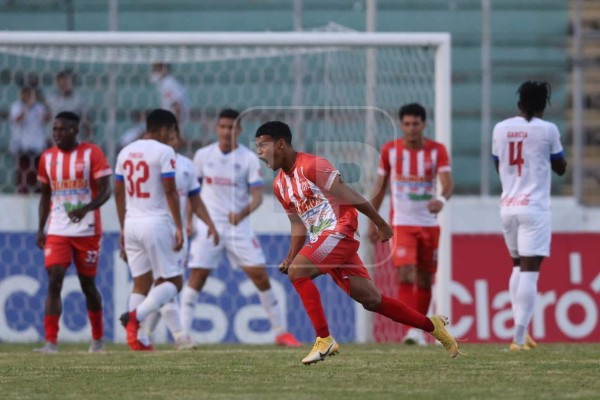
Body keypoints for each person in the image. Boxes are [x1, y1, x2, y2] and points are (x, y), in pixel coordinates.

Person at [254, 121, 460, 364]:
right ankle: (432, 325)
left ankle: (324, 340)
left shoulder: (313, 165)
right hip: (323, 239)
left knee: (299, 272)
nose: (259, 153)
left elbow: (349, 195)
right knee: (371, 300)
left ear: (280, 144)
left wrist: (379, 222)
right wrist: (290, 256)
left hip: (340, 230)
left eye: (262, 146)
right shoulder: (280, 185)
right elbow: (298, 224)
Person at [184, 109, 301, 347]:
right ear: (217, 129)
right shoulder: (203, 156)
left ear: (239, 130)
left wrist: (241, 214)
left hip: (239, 228)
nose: (227, 131)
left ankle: (280, 332)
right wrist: (188, 221)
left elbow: (257, 196)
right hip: (208, 227)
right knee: (198, 276)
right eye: (223, 126)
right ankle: (183, 335)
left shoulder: (248, 158)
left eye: (231, 127)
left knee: (259, 275)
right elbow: (192, 194)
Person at [368, 103, 453, 345]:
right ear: (401, 125)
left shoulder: (437, 151)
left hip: (428, 224)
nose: (411, 128)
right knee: (405, 273)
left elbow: (447, 184)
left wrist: (440, 199)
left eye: (415, 124)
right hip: (401, 223)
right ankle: (413, 331)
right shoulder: (389, 151)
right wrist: (373, 221)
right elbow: (380, 188)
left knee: (425, 279)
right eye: (406, 124)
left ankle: (423, 328)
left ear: (424, 125)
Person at [492, 81, 567, 351]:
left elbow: (498, 164)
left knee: (516, 265)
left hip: (508, 205)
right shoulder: (548, 129)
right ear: (544, 105)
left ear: (519, 103)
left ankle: (520, 329)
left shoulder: (500, 129)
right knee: (530, 270)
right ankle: (519, 336)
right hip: (534, 208)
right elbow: (560, 167)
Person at [34, 111, 112, 353]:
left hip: (87, 230)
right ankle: (50, 343)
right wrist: (41, 228)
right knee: (54, 281)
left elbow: (106, 190)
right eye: (55, 129)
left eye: (63, 130)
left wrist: (86, 208)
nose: (57, 134)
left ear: (75, 131)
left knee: (87, 285)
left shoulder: (92, 153)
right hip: (58, 229)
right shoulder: (47, 158)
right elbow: (46, 194)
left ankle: (98, 339)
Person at [137, 125, 220, 350]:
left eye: (174, 136)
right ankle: (179, 335)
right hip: (157, 229)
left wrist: (204, 223)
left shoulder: (186, 165)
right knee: (166, 283)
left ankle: (144, 332)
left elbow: (193, 199)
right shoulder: (151, 163)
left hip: (178, 233)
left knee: (168, 285)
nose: (170, 139)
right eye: (168, 135)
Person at [114, 108, 184, 351]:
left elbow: (118, 191)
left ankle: (138, 339)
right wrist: (179, 226)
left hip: (131, 223)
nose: (172, 136)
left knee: (140, 283)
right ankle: (136, 318)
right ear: (165, 129)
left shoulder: (125, 151)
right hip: (155, 222)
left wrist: (122, 228)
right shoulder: (164, 151)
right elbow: (170, 191)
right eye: (172, 131)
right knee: (173, 281)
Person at [9, 86, 51, 194]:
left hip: (38, 148)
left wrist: (44, 103)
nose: (26, 96)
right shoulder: (16, 106)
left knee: (38, 178)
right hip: (23, 149)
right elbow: (18, 119)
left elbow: (47, 118)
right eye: (24, 93)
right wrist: (28, 107)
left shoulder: (39, 107)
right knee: (23, 180)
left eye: (29, 93)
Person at [46, 70, 91, 139]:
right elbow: (47, 119)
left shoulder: (79, 100)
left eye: (66, 82)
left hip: (74, 140)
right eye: (61, 82)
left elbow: (86, 121)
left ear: (72, 82)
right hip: (56, 141)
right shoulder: (51, 100)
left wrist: (89, 138)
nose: (64, 85)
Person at [150, 63, 189, 128]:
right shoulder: (164, 84)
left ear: (164, 69)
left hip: (173, 122)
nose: (153, 72)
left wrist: (175, 127)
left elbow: (177, 107)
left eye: (156, 69)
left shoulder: (168, 84)